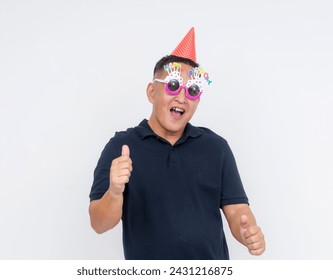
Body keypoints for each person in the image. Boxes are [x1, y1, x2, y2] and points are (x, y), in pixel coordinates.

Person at [89, 27, 265, 259]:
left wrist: (247, 231)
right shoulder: (122, 147)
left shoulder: (216, 147)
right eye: (173, 86)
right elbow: (98, 223)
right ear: (152, 92)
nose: (182, 97)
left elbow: (238, 210)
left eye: (192, 90)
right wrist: (114, 191)